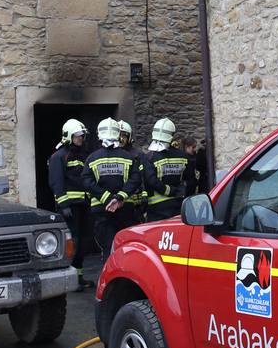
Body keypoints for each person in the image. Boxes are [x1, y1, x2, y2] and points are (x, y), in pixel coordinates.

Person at [82, 118, 143, 265]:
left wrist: (107, 198)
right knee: (126, 247)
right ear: (118, 134)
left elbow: (86, 181)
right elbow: (135, 179)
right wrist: (119, 198)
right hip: (125, 208)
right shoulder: (128, 157)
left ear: (99, 135)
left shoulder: (92, 158)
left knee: (108, 248)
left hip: (102, 209)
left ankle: (109, 280)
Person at [48, 119, 94, 291]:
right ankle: (68, 280)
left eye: (82, 136)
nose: (81, 139)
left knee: (83, 242)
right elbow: (56, 182)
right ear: (68, 136)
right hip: (69, 207)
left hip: (83, 205)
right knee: (72, 243)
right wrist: (64, 204)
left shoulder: (83, 155)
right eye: (77, 136)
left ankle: (78, 277)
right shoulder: (59, 156)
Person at [144, 118, 196, 221]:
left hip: (156, 209)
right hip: (179, 205)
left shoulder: (150, 157)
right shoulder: (182, 156)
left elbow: (150, 181)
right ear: (172, 136)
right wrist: (182, 193)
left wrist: (168, 191)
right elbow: (191, 181)